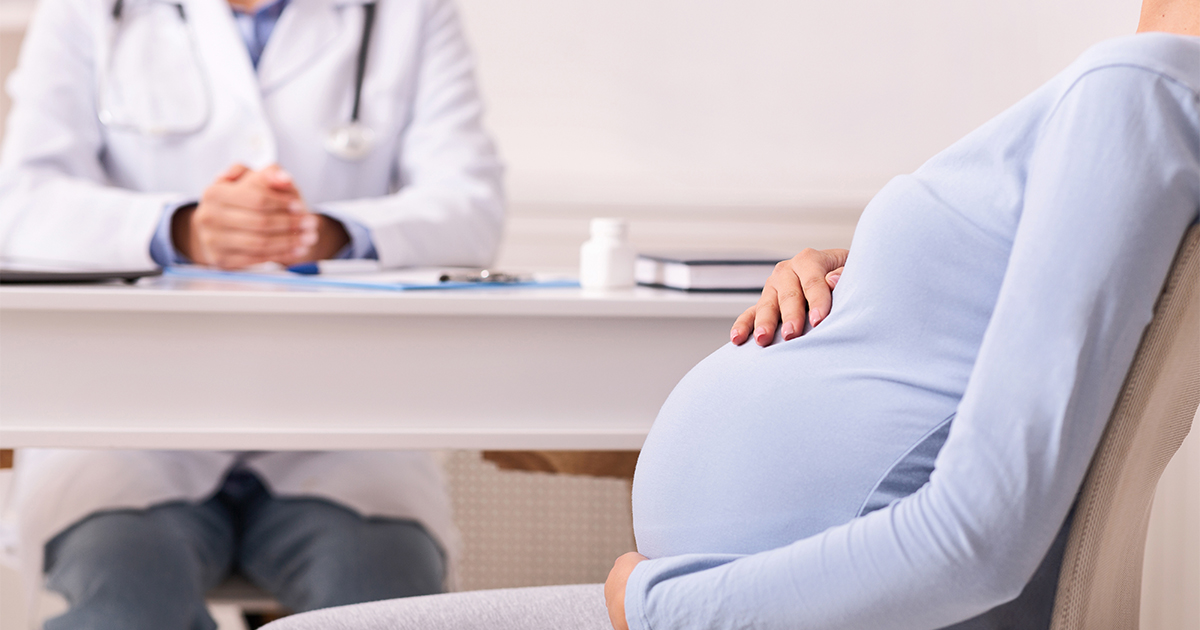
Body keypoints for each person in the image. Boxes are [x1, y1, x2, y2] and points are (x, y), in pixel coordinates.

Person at [259, 1, 1200, 629]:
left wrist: (663, 608)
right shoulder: (1129, 93)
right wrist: (873, 277)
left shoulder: (1140, 91)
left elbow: (977, 546)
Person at [0, 0, 501, 626]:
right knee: (123, 592)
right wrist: (178, 230)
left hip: (336, 422)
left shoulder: (412, 13)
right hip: (130, 422)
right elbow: (19, 203)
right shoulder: (86, 10)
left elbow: (471, 205)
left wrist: (330, 235)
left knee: (384, 590)